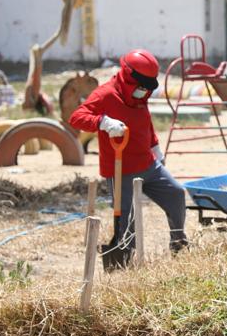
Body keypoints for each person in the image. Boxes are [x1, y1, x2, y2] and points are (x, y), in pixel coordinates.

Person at [69, 49, 188, 257]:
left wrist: (155, 147)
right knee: (127, 220)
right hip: (120, 170)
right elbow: (77, 117)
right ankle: (125, 257)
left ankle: (178, 242)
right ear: (127, 76)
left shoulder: (140, 95)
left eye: (148, 86)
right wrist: (102, 122)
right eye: (141, 85)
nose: (145, 91)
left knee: (176, 194)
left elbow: (145, 121)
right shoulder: (104, 95)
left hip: (149, 164)